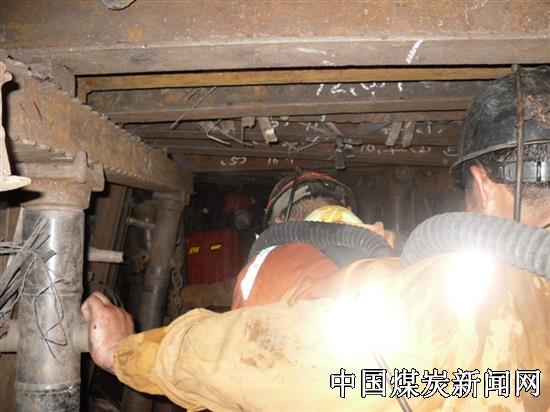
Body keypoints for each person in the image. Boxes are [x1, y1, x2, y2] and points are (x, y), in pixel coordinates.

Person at [83, 66, 550, 411]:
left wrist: (130, 353)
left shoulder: (463, 299)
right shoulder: (506, 289)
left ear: (482, 183)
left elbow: (275, 360)